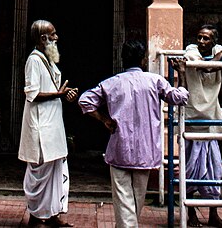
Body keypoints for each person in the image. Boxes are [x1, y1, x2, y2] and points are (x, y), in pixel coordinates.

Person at [78, 40, 189, 228]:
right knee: (136, 202)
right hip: (146, 152)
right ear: (143, 60)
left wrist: (105, 119)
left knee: (124, 202)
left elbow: (85, 101)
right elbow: (181, 97)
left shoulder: (112, 83)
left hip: (120, 149)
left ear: (123, 59)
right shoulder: (155, 81)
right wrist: (183, 73)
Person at [18, 20, 78, 227]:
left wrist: (64, 95)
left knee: (55, 168)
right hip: (41, 124)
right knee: (40, 170)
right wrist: (58, 94)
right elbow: (32, 94)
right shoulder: (34, 61)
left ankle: (53, 214)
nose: (56, 37)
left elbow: (54, 91)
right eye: (53, 34)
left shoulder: (48, 60)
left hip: (53, 124)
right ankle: (36, 217)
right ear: (43, 38)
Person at [179, 25, 222, 228]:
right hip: (193, 119)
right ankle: (191, 213)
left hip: (211, 119)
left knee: (214, 170)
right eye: (200, 37)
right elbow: (206, 67)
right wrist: (220, 56)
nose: (202, 42)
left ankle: (213, 213)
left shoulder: (218, 50)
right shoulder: (191, 51)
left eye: (206, 39)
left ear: (213, 41)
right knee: (191, 169)